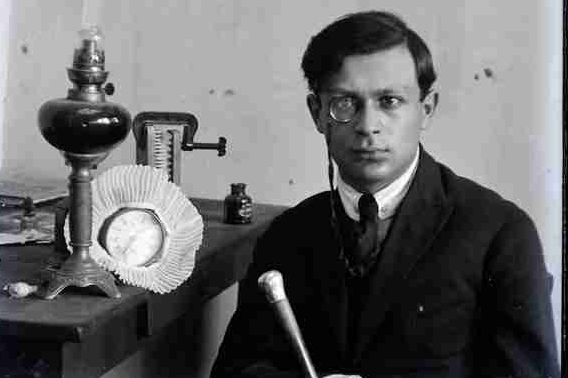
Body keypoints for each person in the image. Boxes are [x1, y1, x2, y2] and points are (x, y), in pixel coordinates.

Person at [211, 11, 559, 378]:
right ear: (317, 113)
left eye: (389, 101)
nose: (368, 126)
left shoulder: (500, 233)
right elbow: (237, 371)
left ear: (426, 109)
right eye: (345, 103)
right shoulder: (285, 236)